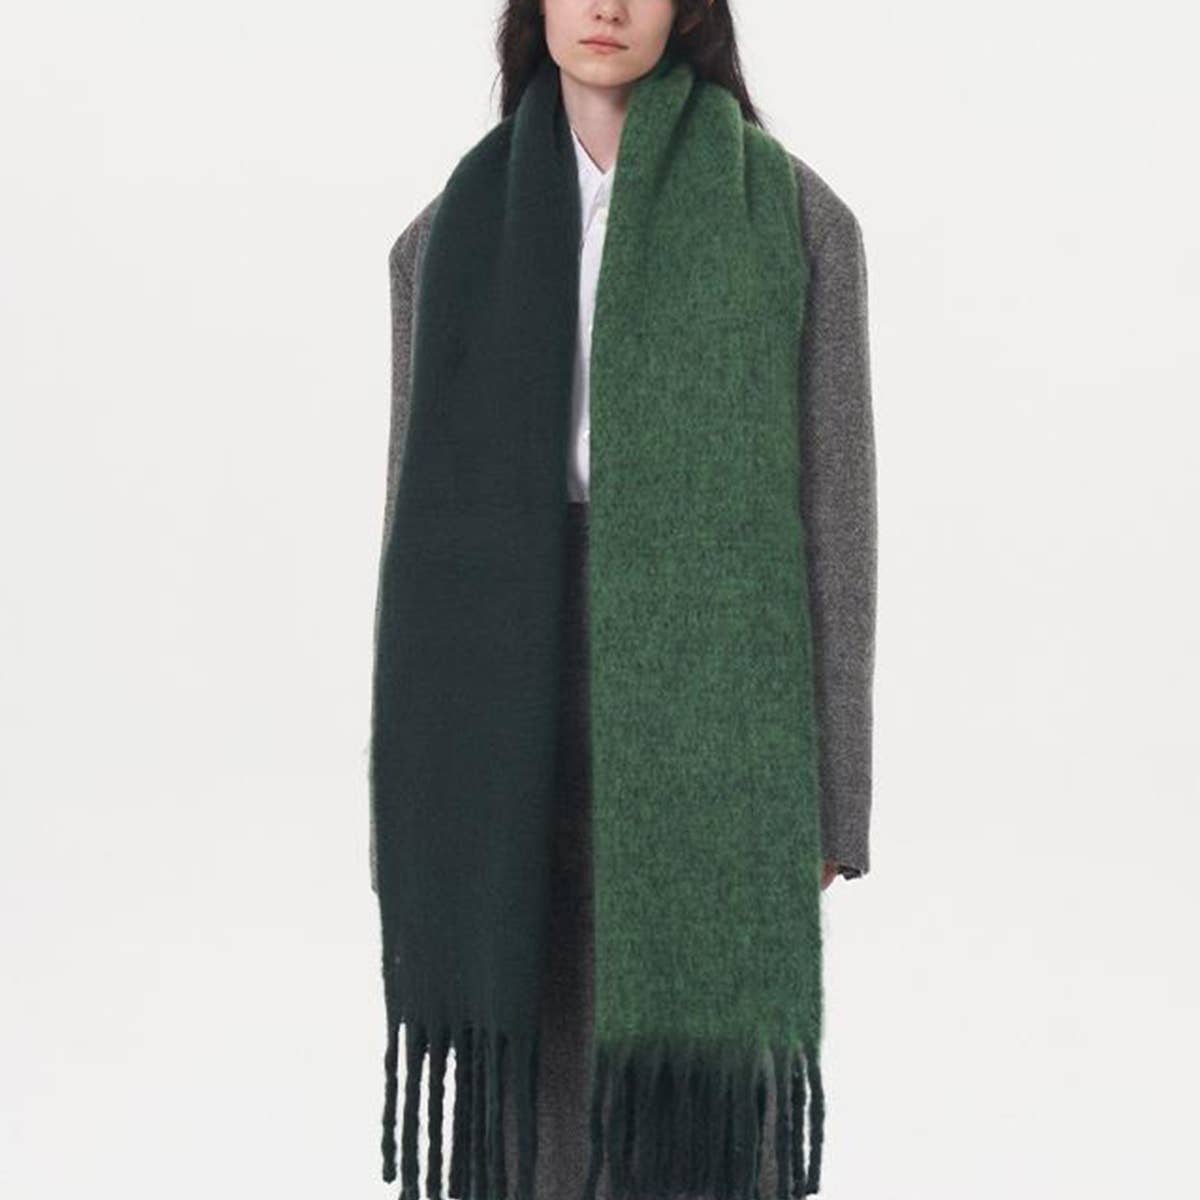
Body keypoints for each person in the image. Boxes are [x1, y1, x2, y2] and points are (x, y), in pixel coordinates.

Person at [370, 3, 876, 1197]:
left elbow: (838, 521)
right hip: (507, 687)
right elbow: (410, 536)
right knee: (538, 1080)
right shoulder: (441, 241)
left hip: (716, 693)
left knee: (698, 1098)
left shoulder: (796, 221)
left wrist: (834, 804)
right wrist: (404, 800)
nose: (605, 6)